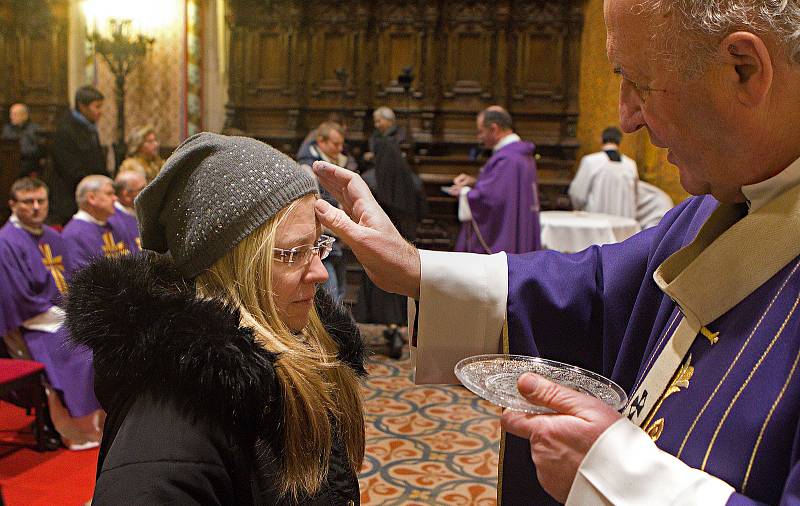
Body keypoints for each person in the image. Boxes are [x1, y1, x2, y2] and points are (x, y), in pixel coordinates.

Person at [308, 0, 800, 500]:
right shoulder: (726, 197)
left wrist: (612, 477)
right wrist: (415, 269)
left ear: (744, 69)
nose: (626, 119)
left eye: (639, 83)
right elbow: (601, 288)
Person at [64, 133, 366, 504]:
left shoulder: (300, 340)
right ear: (228, 268)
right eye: (292, 253)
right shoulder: (170, 426)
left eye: (318, 245)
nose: (320, 273)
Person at [0, 177, 102, 449]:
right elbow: (16, 297)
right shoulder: (6, 242)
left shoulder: (54, 237)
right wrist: (62, 317)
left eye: (40, 201)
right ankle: (76, 428)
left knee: (99, 336)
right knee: (75, 350)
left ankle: (103, 424)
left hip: (60, 315)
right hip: (32, 323)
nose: (35, 207)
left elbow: (74, 280)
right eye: (27, 202)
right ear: (12, 204)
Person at [358, 135, 426, 359]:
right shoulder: (413, 181)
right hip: (407, 243)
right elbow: (423, 211)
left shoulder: (369, 179)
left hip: (378, 244)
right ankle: (399, 328)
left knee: (381, 287)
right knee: (402, 287)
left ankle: (390, 328)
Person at [448, 107, 540, 254]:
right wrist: (474, 182)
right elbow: (505, 189)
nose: (479, 137)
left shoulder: (507, 158)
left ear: (494, 129)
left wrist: (464, 193)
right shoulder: (521, 154)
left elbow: (492, 199)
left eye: (480, 131)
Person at [297, 121, 354, 303]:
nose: (340, 148)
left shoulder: (342, 163)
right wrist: (341, 228)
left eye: (341, 144)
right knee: (330, 297)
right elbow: (313, 206)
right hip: (323, 241)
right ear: (321, 141)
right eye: (335, 144)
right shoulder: (308, 167)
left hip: (341, 239)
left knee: (340, 293)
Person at [49, 85, 107, 225]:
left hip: (91, 191)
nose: (100, 112)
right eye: (97, 107)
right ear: (82, 106)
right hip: (71, 198)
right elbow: (70, 169)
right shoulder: (65, 130)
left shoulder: (89, 128)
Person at [61, 175, 136, 269]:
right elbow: (81, 277)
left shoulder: (116, 225)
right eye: (109, 194)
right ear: (91, 198)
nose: (115, 198)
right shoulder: (73, 234)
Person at [569, 126, 639, 218]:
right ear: (619, 142)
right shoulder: (630, 165)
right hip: (623, 223)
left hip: (596, 223)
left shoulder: (590, 161)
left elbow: (577, 195)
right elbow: (636, 197)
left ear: (601, 140)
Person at [1, 103, 44, 177]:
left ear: (25, 115)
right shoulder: (7, 129)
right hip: (9, 161)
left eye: (14, 114)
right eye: (11, 114)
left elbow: (38, 150)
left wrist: (20, 151)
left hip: (27, 161)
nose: (11, 117)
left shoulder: (35, 129)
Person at [108, 170, 145, 251]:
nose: (146, 192)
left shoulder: (140, 209)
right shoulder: (112, 219)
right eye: (141, 189)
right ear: (126, 194)